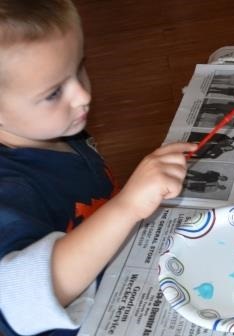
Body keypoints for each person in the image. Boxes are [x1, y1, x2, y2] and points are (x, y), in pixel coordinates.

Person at [0, 2, 196, 335]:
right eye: (54, 93)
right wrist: (127, 206)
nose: (82, 96)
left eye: (79, 68)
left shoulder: (57, 130)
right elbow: (16, 298)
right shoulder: (10, 188)